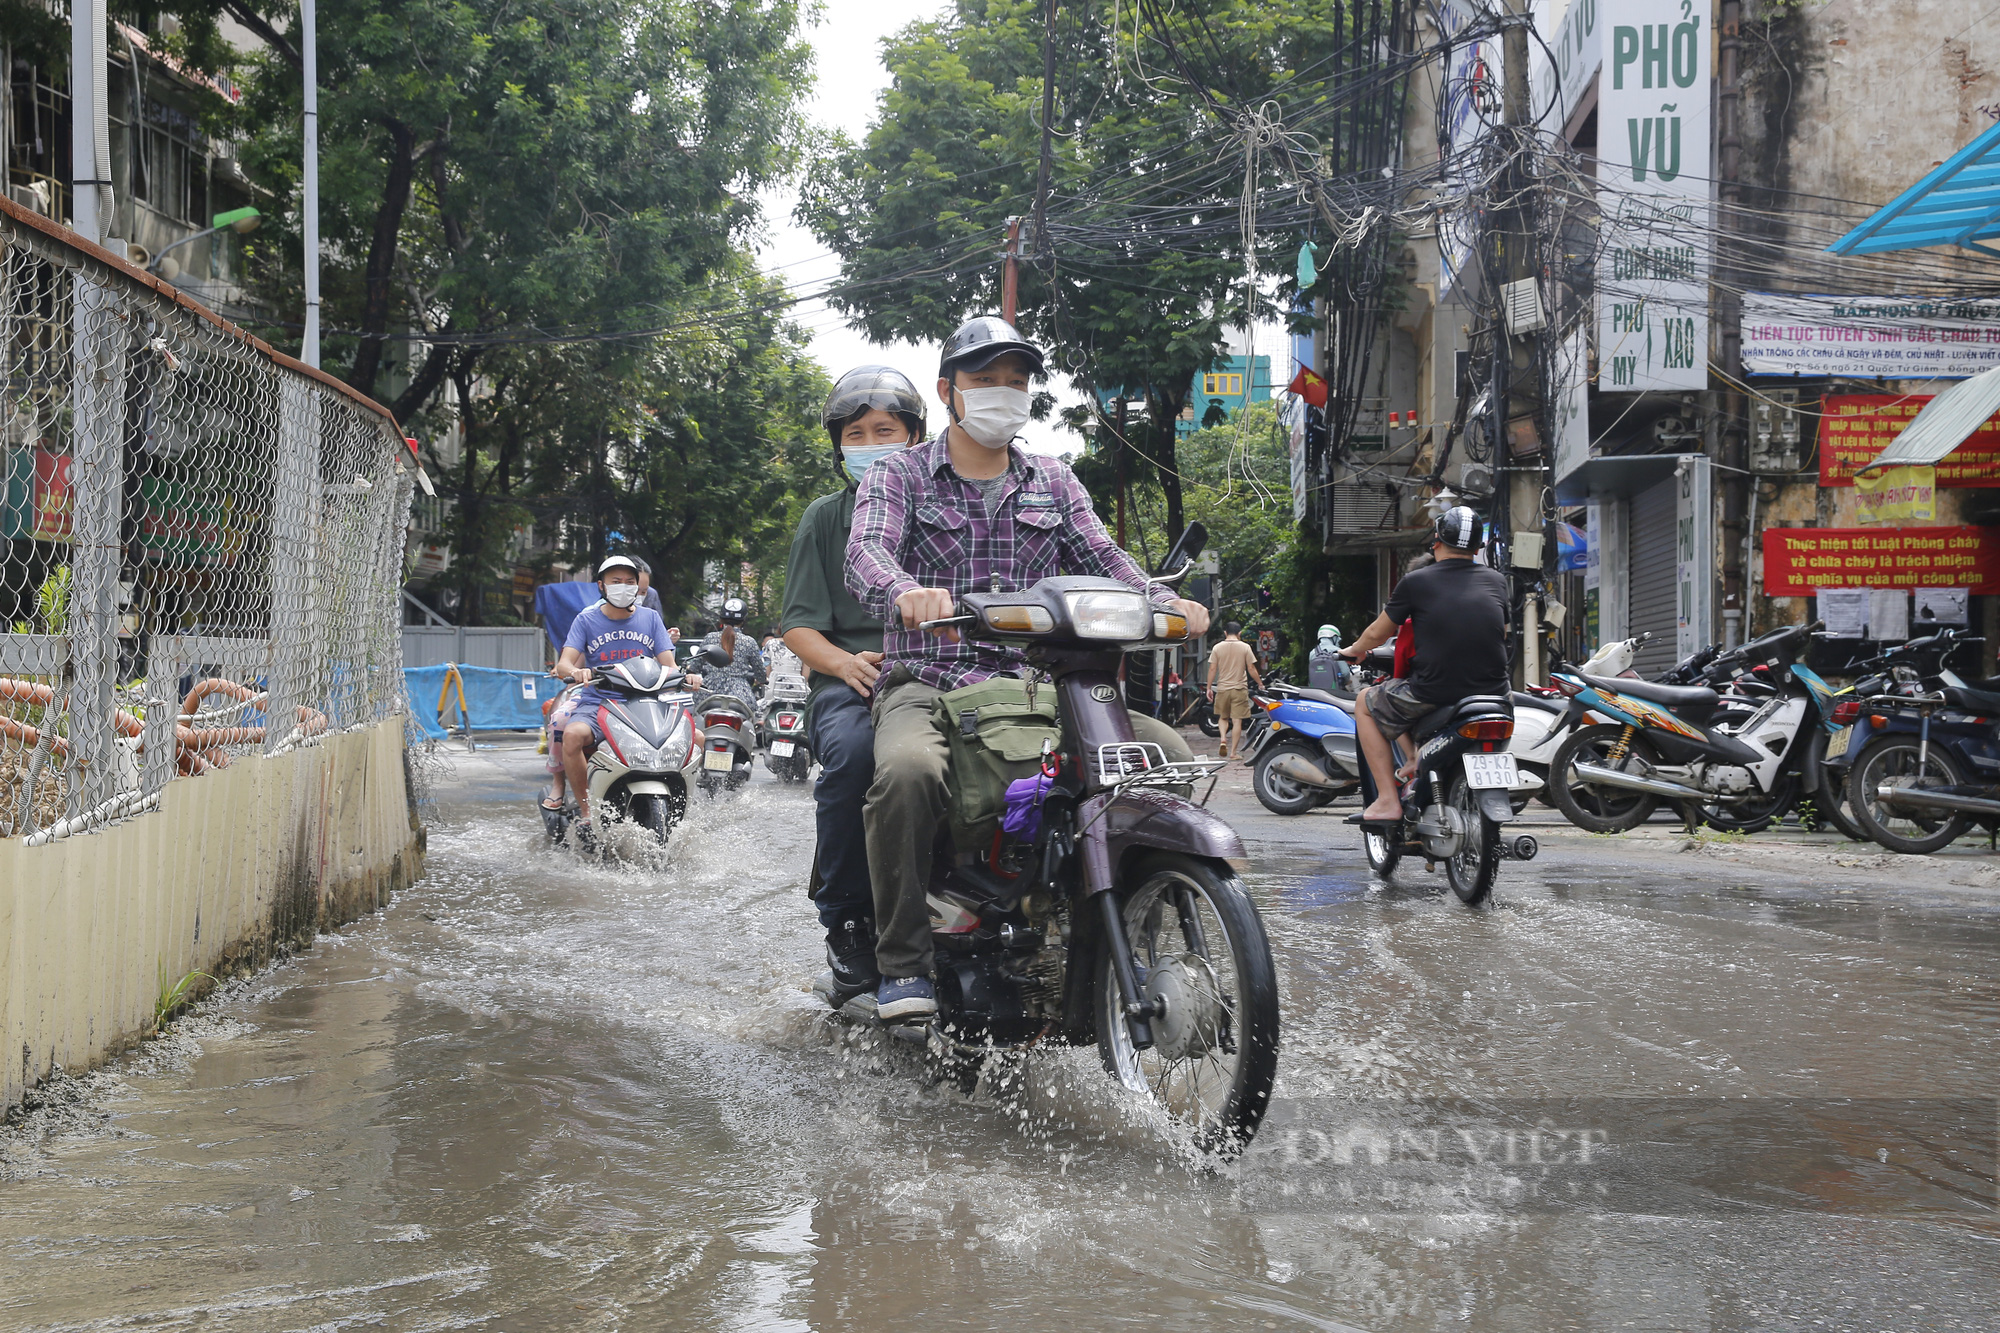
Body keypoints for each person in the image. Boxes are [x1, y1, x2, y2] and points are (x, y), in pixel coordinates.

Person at [846, 316, 1212, 1022]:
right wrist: (904, 592)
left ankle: (1129, 941)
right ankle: (903, 964)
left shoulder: (1054, 479)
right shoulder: (900, 473)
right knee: (906, 773)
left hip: (1043, 688)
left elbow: (1112, 564)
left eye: (1017, 382)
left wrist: (1169, 603)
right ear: (949, 391)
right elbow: (867, 554)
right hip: (929, 680)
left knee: (1164, 755)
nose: (1003, 394)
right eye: (985, 381)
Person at [781, 365, 929, 1004]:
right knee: (854, 758)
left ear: (916, 435)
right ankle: (845, 916)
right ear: (840, 445)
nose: (871, 443)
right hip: (854, 681)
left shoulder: (944, 506)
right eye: (857, 433)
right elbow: (799, 626)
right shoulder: (824, 518)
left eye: (885, 431)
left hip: (940, 672)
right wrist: (844, 665)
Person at [1338, 506, 1508, 824]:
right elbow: (1502, 633)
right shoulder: (1497, 581)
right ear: (1477, 548)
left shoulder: (1416, 582)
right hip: (1496, 694)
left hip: (1434, 691)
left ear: (1437, 542)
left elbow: (1378, 633)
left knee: (1364, 702)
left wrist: (1354, 650)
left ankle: (1388, 799)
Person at [553, 556, 681, 827]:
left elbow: (669, 664)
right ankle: (587, 812)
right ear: (601, 586)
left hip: (645, 702)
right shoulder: (586, 620)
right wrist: (576, 671)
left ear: (639, 587)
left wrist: (687, 675)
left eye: (630, 582)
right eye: (616, 582)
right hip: (599, 702)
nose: (624, 587)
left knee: (697, 738)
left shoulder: (651, 618)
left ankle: (681, 810)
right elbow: (564, 663)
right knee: (573, 736)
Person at [1206, 622, 1263, 761]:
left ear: (1225, 633)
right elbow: (1251, 669)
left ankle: (1223, 739)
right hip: (1239, 688)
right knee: (1237, 721)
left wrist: (1208, 688)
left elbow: (1212, 669)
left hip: (1223, 688)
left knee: (1223, 717)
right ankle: (1233, 753)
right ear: (1240, 633)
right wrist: (1260, 683)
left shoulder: (1217, 648)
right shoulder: (1245, 647)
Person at [696, 597, 767, 707]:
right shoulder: (749, 642)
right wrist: (762, 680)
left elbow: (695, 666)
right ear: (743, 620)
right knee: (754, 719)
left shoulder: (709, 638)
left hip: (708, 694)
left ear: (721, 618)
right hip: (740, 696)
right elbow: (760, 674)